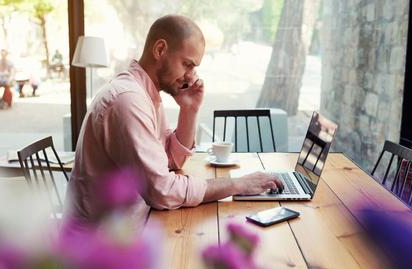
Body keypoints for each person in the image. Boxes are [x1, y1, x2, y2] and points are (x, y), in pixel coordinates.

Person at [65, 15, 283, 223]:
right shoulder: (129, 101)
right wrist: (239, 184)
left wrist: (189, 110)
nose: (191, 76)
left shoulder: (144, 93)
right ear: (160, 49)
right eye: (187, 64)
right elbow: (162, 191)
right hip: (100, 249)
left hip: (132, 227)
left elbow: (170, 159)